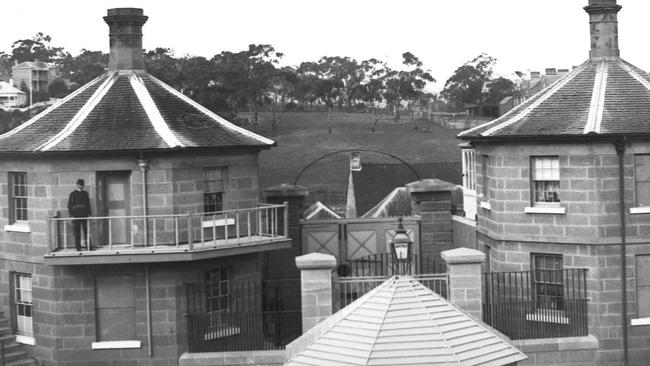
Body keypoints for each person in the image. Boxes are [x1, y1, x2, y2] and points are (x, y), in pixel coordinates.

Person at [67, 179, 91, 251]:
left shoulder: (85, 194)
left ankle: (88, 247)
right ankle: (78, 247)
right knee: (77, 232)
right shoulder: (72, 194)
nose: (81, 186)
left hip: (84, 215)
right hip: (76, 216)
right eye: (79, 184)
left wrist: (89, 214)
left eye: (82, 184)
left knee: (86, 231)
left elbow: (88, 204)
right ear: (77, 185)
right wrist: (71, 215)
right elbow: (70, 205)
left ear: (83, 185)